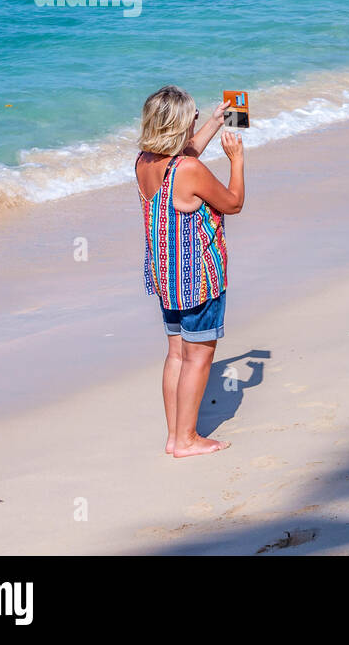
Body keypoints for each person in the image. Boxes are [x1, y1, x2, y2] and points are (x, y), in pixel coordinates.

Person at [135, 85, 245, 457]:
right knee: (199, 358)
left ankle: (174, 436)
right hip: (199, 278)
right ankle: (187, 439)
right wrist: (236, 159)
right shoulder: (191, 169)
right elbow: (233, 203)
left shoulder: (145, 163)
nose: (196, 117)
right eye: (194, 114)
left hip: (167, 277)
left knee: (177, 355)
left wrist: (217, 120)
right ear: (179, 123)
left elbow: (184, 159)